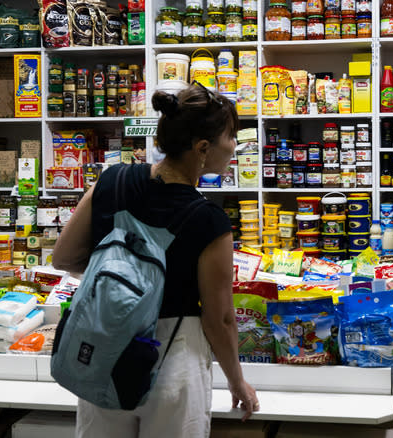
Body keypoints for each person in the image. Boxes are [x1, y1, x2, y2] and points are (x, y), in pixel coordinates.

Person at [53, 84, 259, 437]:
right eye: (231, 136)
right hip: (173, 359)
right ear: (203, 148)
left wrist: (125, 285)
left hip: (104, 346)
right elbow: (219, 319)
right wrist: (236, 381)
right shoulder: (209, 219)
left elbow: (63, 257)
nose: (234, 147)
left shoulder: (112, 180)